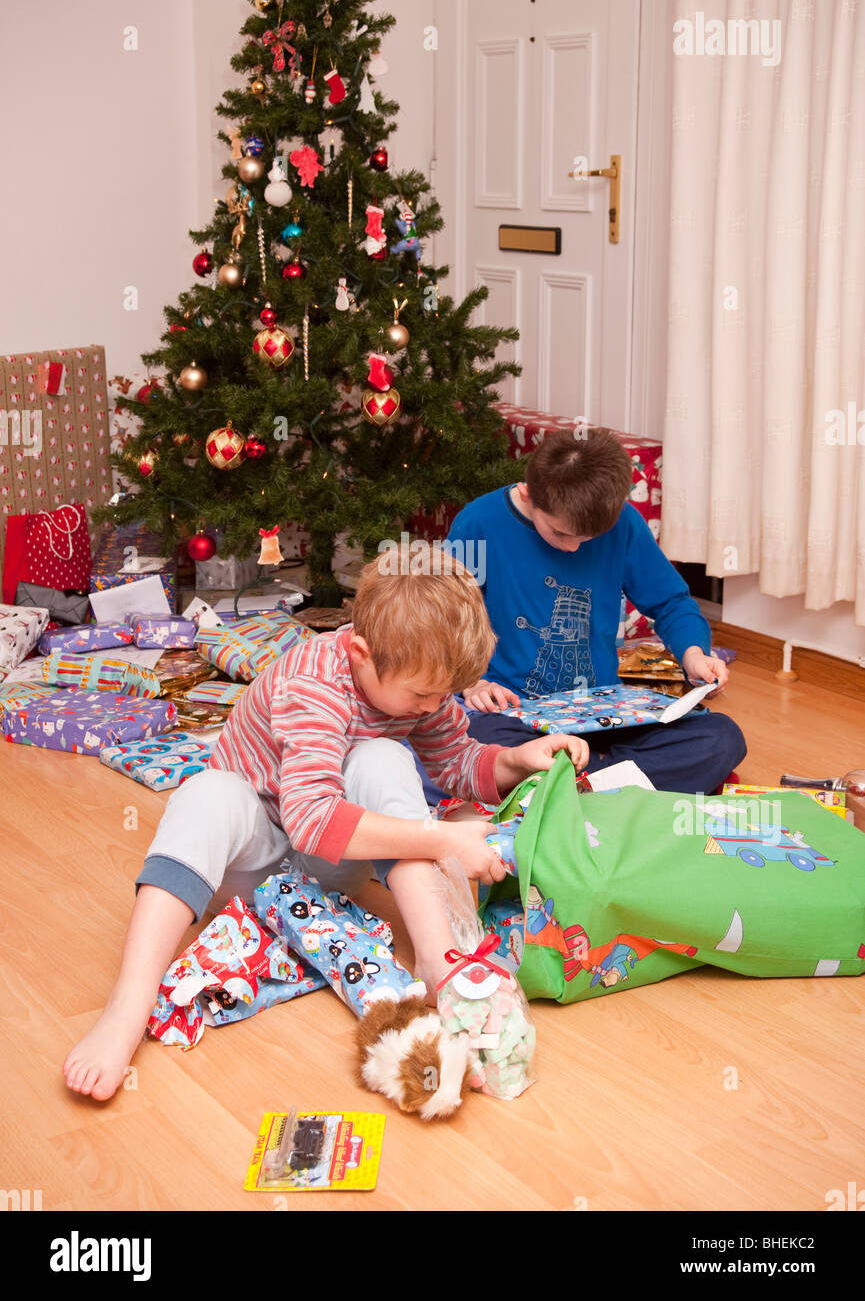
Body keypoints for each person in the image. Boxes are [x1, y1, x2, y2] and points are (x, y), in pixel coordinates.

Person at [63, 547, 587, 1101]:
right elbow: (311, 819)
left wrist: (516, 759)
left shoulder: (418, 685)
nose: (434, 705)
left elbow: (456, 760)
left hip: (329, 872)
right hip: (252, 868)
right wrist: (445, 838)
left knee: (382, 758)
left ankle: (438, 958)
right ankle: (129, 1002)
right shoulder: (313, 681)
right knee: (205, 792)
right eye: (422, 694)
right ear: (360, 653)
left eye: (443, 694)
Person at [447, 428, 746, 792]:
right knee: (480, 744)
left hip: (606, 714)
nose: (574, 548)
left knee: (722, 737)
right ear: (528, 493)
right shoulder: (478, 523)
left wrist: (694, 655)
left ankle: (577, 784)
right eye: (560, 534)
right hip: (512, 714)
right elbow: (445, 619)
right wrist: (471, 682)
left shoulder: (624, 523)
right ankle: (616, 781)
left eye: (588, 539)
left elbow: (671, 601)